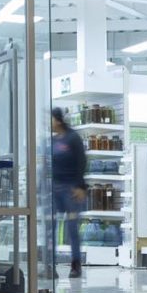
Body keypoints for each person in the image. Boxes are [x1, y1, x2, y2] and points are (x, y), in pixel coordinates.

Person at [48, 108, 89, 276]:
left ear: (58, 120)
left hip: (71, 189)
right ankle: (50, 265)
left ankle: (76, 264)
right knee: (51, 228)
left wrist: (80, 187)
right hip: (55, 189)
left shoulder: (73, 138)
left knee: (72, 228)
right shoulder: (51, 140)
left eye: (51, 119)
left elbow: (82, 162)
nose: (48, 122)